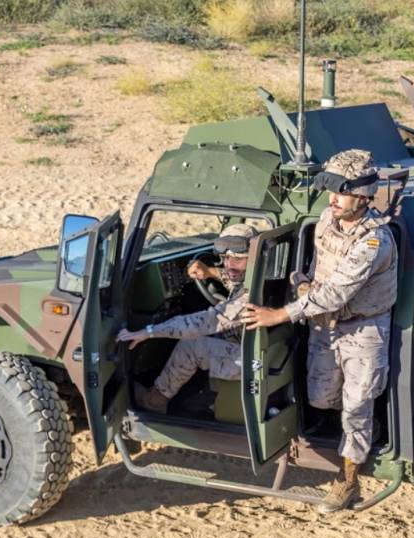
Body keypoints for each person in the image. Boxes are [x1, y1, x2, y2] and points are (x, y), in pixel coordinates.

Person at [240, 149, 397, 513]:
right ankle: (361, 430)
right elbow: (313, 273)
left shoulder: (375, 241)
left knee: (356, 405)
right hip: (323, 326)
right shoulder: (326, 219)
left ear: (362, 196)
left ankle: (348, 480)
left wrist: (279, 314)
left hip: (363, 330)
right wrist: (302, 286)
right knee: (321, 398)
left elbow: (338, 291)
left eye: (340, 192)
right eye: (330, 190)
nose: (332, 199)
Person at [115, 223, 258, 414]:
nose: (230, 265)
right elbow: (234, 278)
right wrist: (210, 273)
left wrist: (148, 332)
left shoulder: (248, 297)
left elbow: (206, 322)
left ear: (253, 258)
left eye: (238, 259)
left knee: (191, 346)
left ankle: (155, 401)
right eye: (226, 258)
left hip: (253, 361)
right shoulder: (259, 275)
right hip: (253, 346)